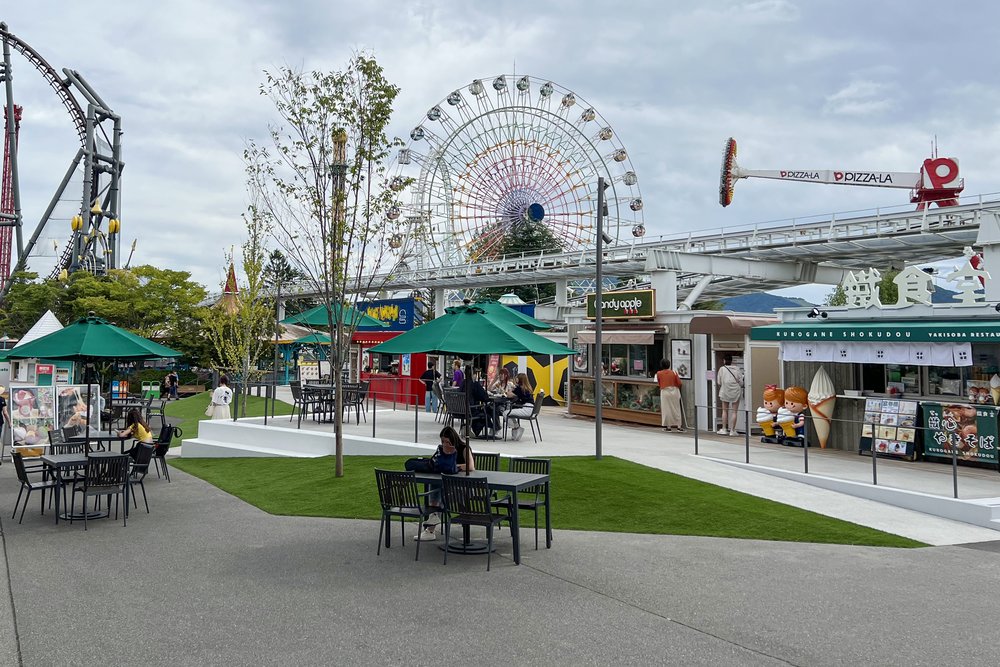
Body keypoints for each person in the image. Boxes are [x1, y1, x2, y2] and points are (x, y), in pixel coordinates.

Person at [415, 426, 476, 542]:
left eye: (447, 441)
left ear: (453, 440)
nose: (445, 444)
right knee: (436, 486)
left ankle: (432, 523)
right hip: (448, 486)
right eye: (443, 441)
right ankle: (433, 519)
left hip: (465, 487)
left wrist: (453, 467)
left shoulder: (464, 448)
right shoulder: (442, 450)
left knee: (441, 491)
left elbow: (471, 466)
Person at [462, 366, 500, 437]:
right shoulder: (474, 384)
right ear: (473, 374)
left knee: (489, 408)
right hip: (471, 410)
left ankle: (494, 428)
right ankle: (495, 428)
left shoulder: (463, 383)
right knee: (491, 409)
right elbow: (485, 397)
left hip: (461, 410)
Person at [717, 354, 743, 436]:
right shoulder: (737, 369)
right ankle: (732, 430)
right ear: (732, 361)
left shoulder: (722, 369)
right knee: (734, 412)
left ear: (724, 360)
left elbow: (719, 382)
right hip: (736, 392)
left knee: (724, 411)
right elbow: (741, 382)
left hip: (725, 391)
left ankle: (724, 429)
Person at [504, 373, 535, 441]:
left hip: (526, 409)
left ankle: (517, 428)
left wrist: (510, 388)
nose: (515, 379)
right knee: (511, 413)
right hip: (531, 409)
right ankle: (516, 430)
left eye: (517, 378)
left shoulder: (519, 388)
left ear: (519, 379)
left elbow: (508, 395)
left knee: (506, 413)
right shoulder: (527, 387)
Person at [655, 359, 683, 431]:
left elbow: (659, 383)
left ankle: (668, 427)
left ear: (661, 365)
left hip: (665, 391)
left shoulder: (659, 373)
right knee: (676, 408)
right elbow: (679, 383)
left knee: (666, 409)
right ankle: (679, 426)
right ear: (669, 365)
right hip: (675, 390)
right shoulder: (674, 372)